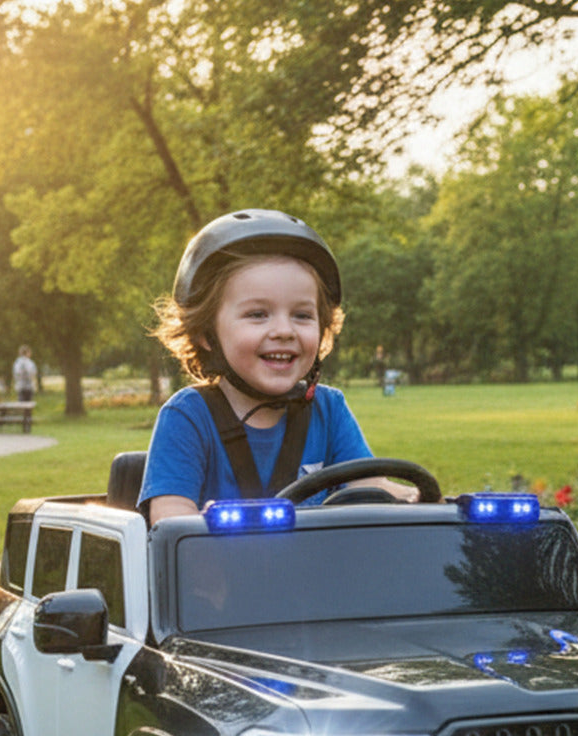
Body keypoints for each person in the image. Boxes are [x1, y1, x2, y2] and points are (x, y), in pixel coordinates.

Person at [141, 209, 414, 523]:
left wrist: (411, 498)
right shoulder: (188, 417)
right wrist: (194, 526)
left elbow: (371, 486)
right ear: (206, 332)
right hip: (220, 573)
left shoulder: (329, 409)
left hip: (318, 572)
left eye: (302, 315)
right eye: (258, 314)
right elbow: (169, 517)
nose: (284, 331)